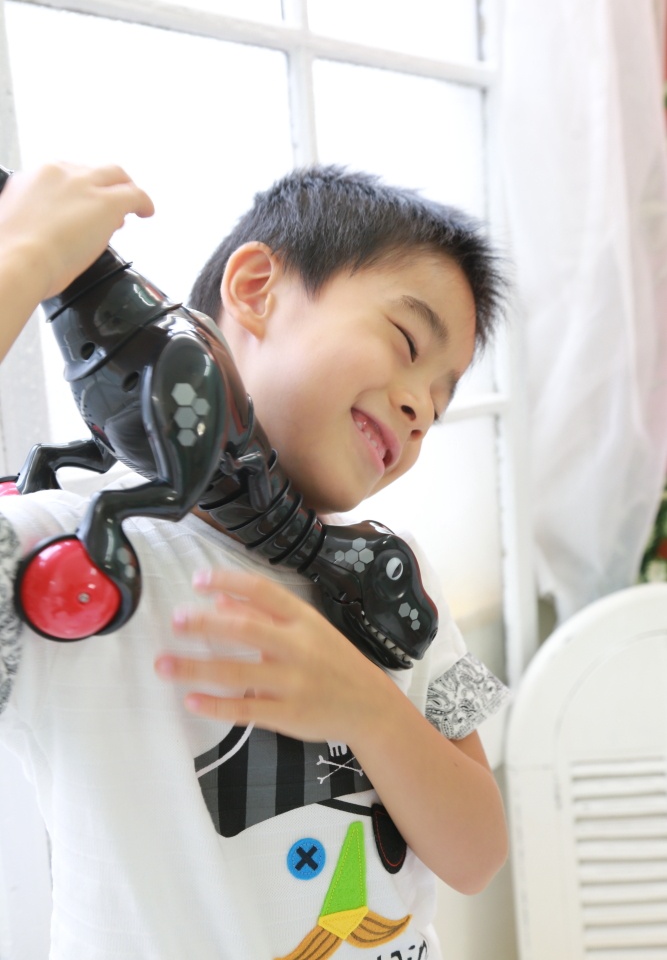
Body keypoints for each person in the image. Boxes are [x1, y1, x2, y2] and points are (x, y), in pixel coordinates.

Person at [0, 161, 510, 960]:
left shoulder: (397, 573)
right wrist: (23, 261)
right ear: (255, 289)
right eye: (406, 342)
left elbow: (478, 855)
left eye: (437, 410)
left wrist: (370, 710)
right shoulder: (66, 545)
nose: (418, 411)